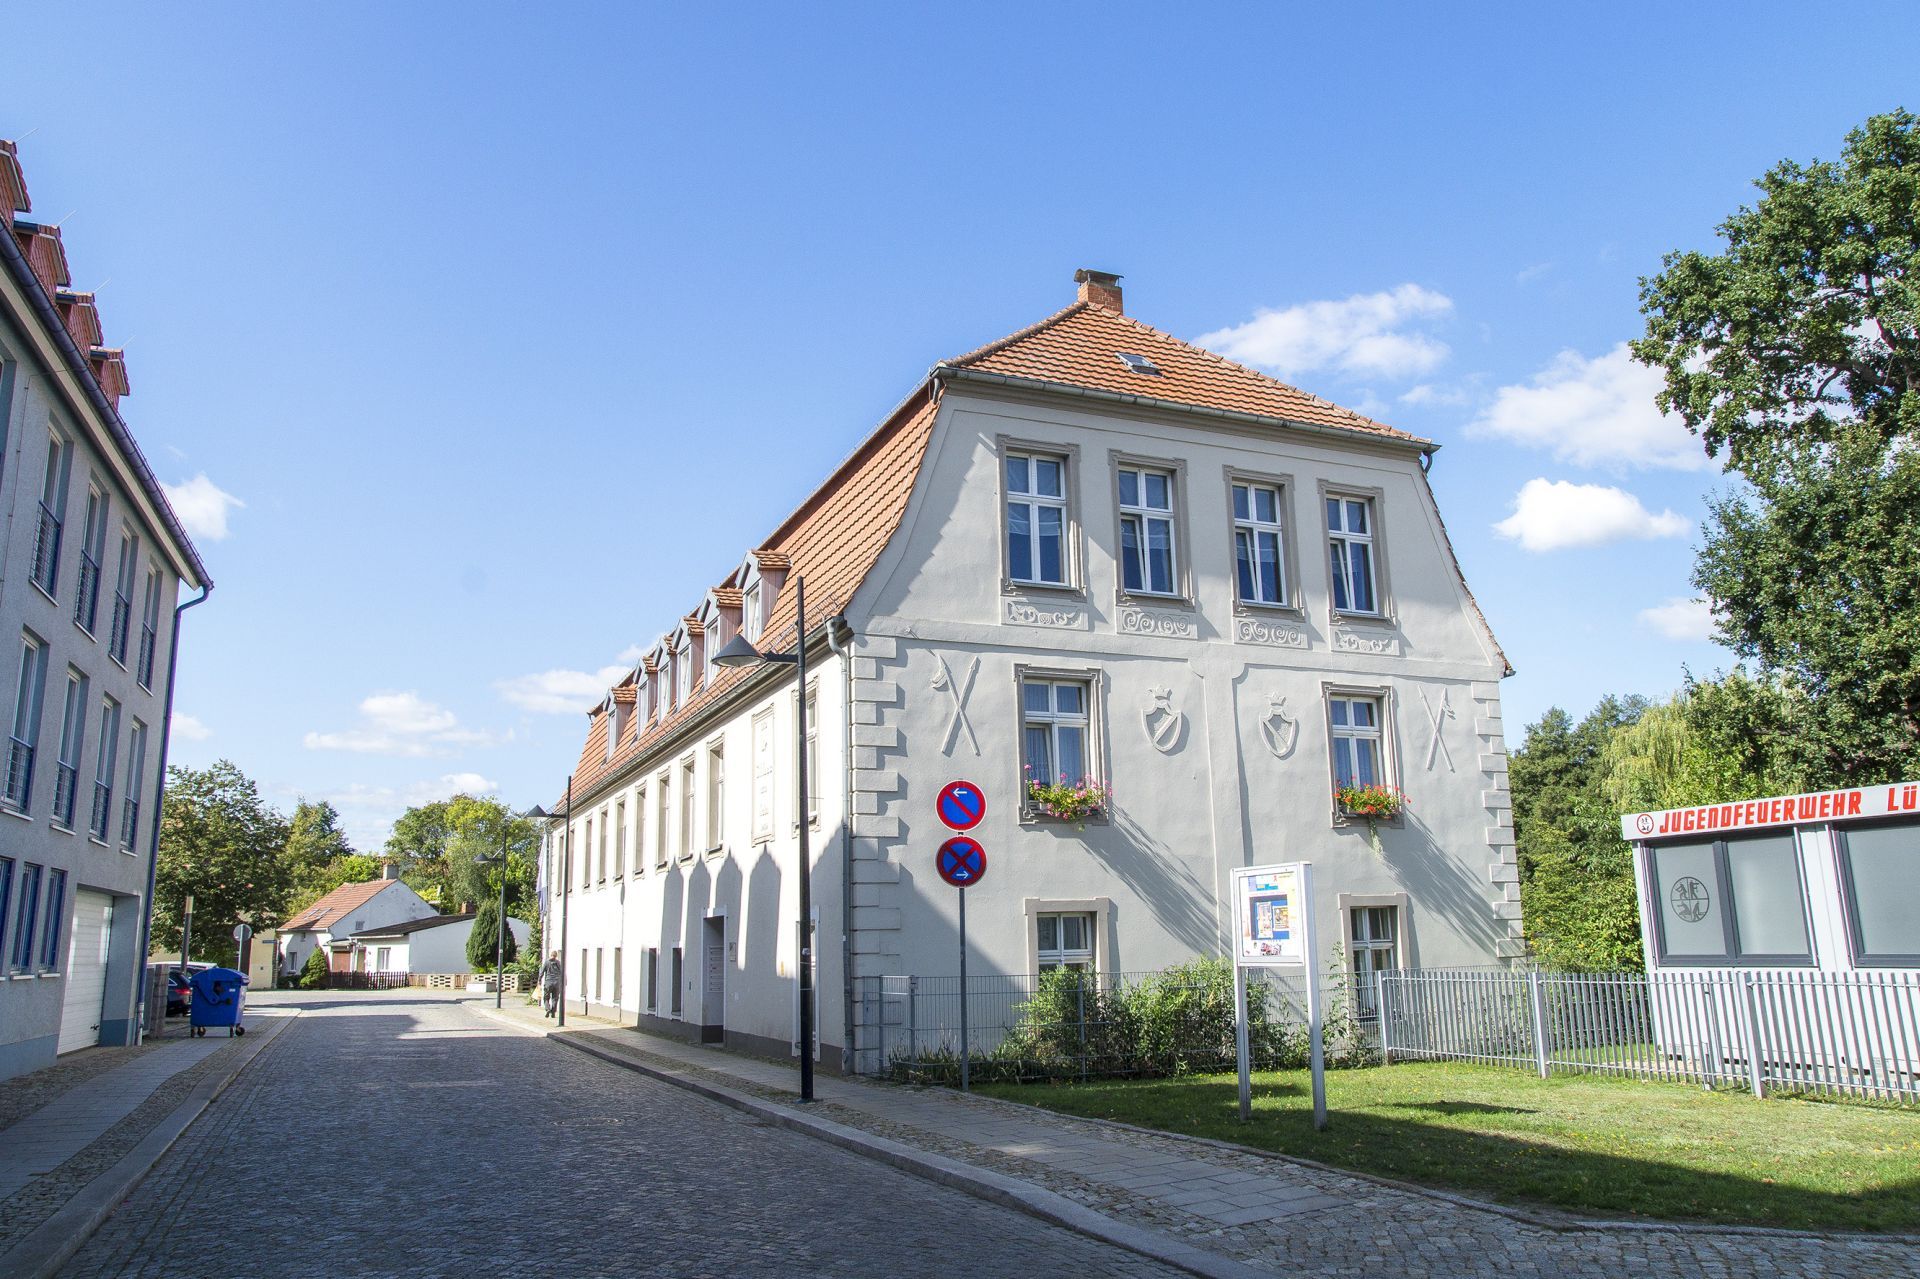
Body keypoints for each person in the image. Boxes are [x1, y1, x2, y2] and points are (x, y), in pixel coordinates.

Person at [539, 951, 563, 1018]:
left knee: (546, 997)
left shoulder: (547, 962)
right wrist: (564, 981)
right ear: (556, 956)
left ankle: (548, 1009)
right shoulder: (558, 962)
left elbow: (542, 972)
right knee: (555, 998)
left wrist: (539, 980)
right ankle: (553, 1012)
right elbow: (562, 972)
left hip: (548, 982)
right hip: (556, 983)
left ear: (551, 955)